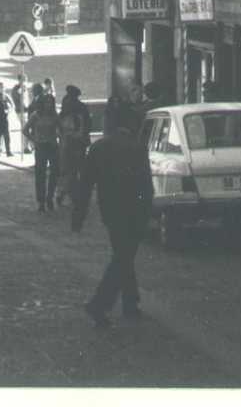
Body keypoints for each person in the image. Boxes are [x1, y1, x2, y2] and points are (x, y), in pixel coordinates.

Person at [72, 100, 153, 327]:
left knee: (122, 254)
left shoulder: (99, 148)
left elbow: (85, 184)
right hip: (135, 211)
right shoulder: (137, 148)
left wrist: (78, 216)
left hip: (110, 211)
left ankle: (130, 301)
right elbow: (146, 186)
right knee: (123, 257)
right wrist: (149, 212)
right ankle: (99, 304)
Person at [25, 86, 60, 212]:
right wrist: (34, 140)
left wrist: (58, 138)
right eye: (47, 102)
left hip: (52, 146)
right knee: (40, 174)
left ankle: (50, 196)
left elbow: (60, 129)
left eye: (51, 103)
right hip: (40, 147)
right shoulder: (36, 115)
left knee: (54, 172)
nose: (49, 105)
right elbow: (25, 129)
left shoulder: (55, 116)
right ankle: (41, 200)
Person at [55, 85, 91, 207]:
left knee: (70, 170)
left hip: (71, 144)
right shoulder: (80, 108)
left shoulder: (69, 110)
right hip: (73, 144)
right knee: (73, 170)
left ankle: (66, 193)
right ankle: (71, 194)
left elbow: (83, 128)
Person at [10, 73, 32, 153]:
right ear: (19, 80)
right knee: (25, 128)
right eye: (23, 80)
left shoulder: (24, 88)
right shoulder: (16, 89)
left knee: (27, 128)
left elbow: (27, 99)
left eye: (25, 80)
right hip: (20, 111)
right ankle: (25, 147)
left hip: (26, 111)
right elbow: (18, 98)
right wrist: (21, 91)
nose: (24, 82)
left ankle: (28, 145)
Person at [0, 82, 14, 156]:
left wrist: (8, 110)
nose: (1, 89)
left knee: (6, 135)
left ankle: (8, 151)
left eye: (2, 87)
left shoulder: (6, 96)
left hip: (5, 117)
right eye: (0, 87)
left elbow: (12, 105)